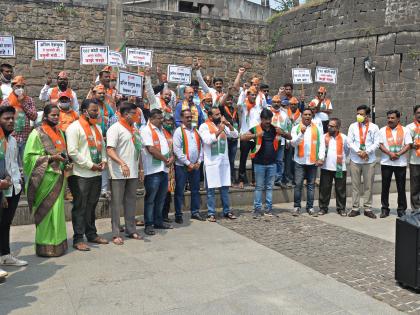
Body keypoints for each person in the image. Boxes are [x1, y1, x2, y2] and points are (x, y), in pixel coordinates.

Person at [24, 105, 70, 257]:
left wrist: (67, 161)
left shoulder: (60, 133)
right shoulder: (36, 133)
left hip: (59, 178)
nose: (56, 118)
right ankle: (45, 245)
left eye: (58, 115)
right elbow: (29, 158)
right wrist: (51, 158)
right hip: (44, 179)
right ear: (45, 116)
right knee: (46, 212)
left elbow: (64, 152)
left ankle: (58, 244)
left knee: (57, 212)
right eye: (53, 115)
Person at [66, 99, 108, 251]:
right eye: (94, 110)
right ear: (84, 111)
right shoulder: (74, 128)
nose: (97, 113)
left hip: (95, 174)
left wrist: (103, 161)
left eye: (97, 110)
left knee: (92, 205)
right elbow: (72, 152)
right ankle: (78, 239)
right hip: (80, 175)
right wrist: (91, 165)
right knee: (80, 207)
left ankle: (92, 234)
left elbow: (102, 147)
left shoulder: (96, 127)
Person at [241, 109, 291, 218]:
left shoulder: (275, 129)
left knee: (269, 187)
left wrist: (283, 133)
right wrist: (256, 135)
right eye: (265, 119)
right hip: (259, 163)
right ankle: (257, 209)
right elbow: (243, 137)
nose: (268, 121)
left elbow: (289, 137)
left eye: (269, 119)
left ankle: (269, 208)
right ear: (261, 119)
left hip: (272, 164)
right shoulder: (256, 129)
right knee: (259, 187)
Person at [106, 102, 143, 244]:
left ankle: (131, 230)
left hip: (133, 172)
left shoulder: (134, 129)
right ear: (126, 114)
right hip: (118, 173)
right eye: (135, 114)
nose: (137, 116)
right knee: (116, 204)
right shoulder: (114, 129)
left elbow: (138, 149)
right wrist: (122, 163)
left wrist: (140, 168)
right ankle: (115, 233)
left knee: (131, 202)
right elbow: (110, 150)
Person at [199, 107, 238, 222]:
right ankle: (211, 213)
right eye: (217, 115)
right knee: (211, 190)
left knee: (225, 188)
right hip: (211, 163)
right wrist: (220, 130)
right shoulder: (204, 126)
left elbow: (235, 135)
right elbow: (207, 140)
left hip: (223, 162)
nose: (219, 116)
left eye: (220, 114)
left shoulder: (223, 125)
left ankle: (227, 211)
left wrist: (228, 125)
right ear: (210, 117)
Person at [0, 106, 27, 270]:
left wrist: (18, 181)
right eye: (6, 118)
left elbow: (13, 164)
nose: (10, 121)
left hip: (14, 187)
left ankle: (5, 255)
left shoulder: (12, 140)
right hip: (2, 188)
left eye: (12, 118)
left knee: (6, 223)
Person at [141, 109, 174, 235]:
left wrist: (171, 157)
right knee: (151, 199)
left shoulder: (161, 130)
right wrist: (166, 159)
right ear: (151, 118)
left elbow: (167, 146)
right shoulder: (146, 130)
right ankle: (149, 224)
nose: (162, 120)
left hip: (163, 169)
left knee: (161, 198)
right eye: (159, 118)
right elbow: (151, 149)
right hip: (152, 170)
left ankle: (158, 221)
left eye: (162, 118)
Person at [290, 108, 325, 216]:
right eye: (305, 114)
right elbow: (293, 143)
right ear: (302, 115)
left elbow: (322, 144)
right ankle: (297, 206)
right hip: (299, 161)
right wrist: (301, 133)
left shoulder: (318, 128)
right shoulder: (296, 128)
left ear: (312, 116)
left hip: (313, 161)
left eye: (309, 114)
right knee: (298, 184)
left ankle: (310, 207)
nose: (307, 116)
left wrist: (321, 158)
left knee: (311, 185)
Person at [347, 105, 380, 219]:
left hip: (369, 160)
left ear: (367, 116)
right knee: (355, 185)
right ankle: (355, 208)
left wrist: (367, 152)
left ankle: (368, 208)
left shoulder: (374, 127)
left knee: (368, 185)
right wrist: (359, 151)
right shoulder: (352, 126)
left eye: (361, 114)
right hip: (355, 160)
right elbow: (349, 142)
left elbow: (376, 143)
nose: (359, 116)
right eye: (358, 114)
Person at [379, 110, 412, 218]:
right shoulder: (382, 130)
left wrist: (397, 154)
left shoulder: (405, 130)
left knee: (401, 187)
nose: (390, 120)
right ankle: (384, 209)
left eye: (392, 118)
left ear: (398, 119)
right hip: (386, 162)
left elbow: (408, 145)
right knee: (385, 187)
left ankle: (401, 209)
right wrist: (389, 153)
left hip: (400, 163)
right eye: (388, 118)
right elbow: (380, 144)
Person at [173, 109, 204, 223]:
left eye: (190, 117)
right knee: (180, 190)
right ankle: (178, 214)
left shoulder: (196, 131)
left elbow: (201, 147)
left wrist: (199, 161)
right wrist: (188, 163)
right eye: (187, 117)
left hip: (195, 166)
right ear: (181, 118)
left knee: (195, 189)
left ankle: (195, 212)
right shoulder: (178, 131)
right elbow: (177, 150)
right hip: (182, 166)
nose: (189, 119)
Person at [1, 76, 37, 169]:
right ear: (12, 86)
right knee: (12, 165)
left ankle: (26, 183)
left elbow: (34, 117)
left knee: (27, 165)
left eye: (22, 86)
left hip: (25, 138)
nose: (19, 89)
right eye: (17, 86)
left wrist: (23, 103)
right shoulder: (6, 102)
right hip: (12, 138)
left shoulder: (28, 100)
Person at [318, 118, 349, 216]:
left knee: (340, 189)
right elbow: (321, 149)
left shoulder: (344, 137)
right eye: (329, 125)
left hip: (340, 167)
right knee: (324, 189)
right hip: (326, 167)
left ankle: (341, 208)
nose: (329, 127)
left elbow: (347, 151)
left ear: (338, 127)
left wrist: (342, 159)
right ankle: (323, 208)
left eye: (332, 126)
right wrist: (321, 158)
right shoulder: (324, 137)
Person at [237, 86, 262, 189]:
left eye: (255, 95)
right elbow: (239, 103)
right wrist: (243, 91)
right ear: (248, 95)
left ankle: (254, 180)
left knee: (255, 159)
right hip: (246, 136)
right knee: (243, 158)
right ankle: (241, 180)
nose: (254, 96)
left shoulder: (258, 107)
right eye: (252, 94)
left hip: (256, 136)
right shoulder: (244, 106)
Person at [270, 95, 292, 187]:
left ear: (280, 103)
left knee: (279, 160)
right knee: (270, 160)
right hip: (269, 141)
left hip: (281, 141)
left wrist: (287, 141)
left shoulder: (284, 114)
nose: (276, 104)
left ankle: (278, 179)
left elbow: (288, 127)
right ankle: (270, 179)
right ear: (271, 102)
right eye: (274, 102)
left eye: (278, 102)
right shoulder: (267, 113)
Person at [220, 89, 240, 184]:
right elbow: (220, 104)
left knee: (232, 160)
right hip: (226, 137)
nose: (229, 101)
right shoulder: (222, 109)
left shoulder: (234, 109)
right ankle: (226, 178)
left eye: (231, 99)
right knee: (226, 159)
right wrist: (227, 93)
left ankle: (232, 178)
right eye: (227, 99)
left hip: (234, 137)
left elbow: (237, 121)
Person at [282, 96, 301, 187]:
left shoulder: (301, 115)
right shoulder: (285, 114)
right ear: (289, 105)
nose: (293, 106)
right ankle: (288, 179)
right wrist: (286, 140)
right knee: (288, 161)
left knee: (297, 161)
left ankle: (296, 178)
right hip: (288, 140)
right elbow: (284, 128)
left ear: (297, 105)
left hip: (297, 141)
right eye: (291, 104)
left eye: (295, 104)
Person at [161, 114, 175, 223]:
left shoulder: (171, 133)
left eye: (171, 122)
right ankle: (158, 216)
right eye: (167, 122)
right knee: (161, 192)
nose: (169, 124)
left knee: (168, 193)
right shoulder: (160, 133)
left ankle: (165, 215)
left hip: (171, 167)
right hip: (161, 165)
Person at [407, 105, 420, 212]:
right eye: (418, 112)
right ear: (414, 114)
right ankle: (416, 209)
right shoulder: (409, 127)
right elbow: (406, 143)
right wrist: (412, 145)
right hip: (415, 161)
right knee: (415, 186)